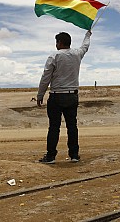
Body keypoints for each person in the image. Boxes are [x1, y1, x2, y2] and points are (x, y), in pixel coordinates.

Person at [37, 30, 92, 164]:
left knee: (54, 127)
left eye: (57, 42)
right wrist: (87, 35)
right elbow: (85, 47)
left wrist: (40, 94)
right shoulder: (77, 54)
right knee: (72, 126)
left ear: (60, 43)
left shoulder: (54, 56)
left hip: (56, 96)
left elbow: (46, 77)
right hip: (72, 96)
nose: (56, 45)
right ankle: (74, 155)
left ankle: (50, 156)